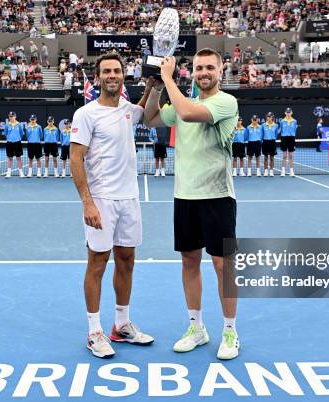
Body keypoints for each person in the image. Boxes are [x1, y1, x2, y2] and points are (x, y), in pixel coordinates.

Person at [143, 48, 240, 360]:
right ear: (193, 72)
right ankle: (196, 327)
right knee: (189, 261)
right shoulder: (184, 100)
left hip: (218, 196)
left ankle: (229, 330)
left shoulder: (225, 102)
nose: (204, 73)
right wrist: (156, 87)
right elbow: (153, 118)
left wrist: (169, 79)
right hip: (185, 196)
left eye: (210, 67)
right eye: (199, 68)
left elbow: (185, 113)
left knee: (223, 265)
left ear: (220, 72)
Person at [70, 52, 155, 359]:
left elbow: (144, 110)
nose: (112, 75)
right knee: (97, 263)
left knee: (127, 259)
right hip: (101, 201)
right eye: (106, 71)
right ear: (98, 77)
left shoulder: (128, 110)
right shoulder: (86, 114)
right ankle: (94, 331)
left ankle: (121, 325)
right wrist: (87, 202)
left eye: (116, 71)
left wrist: (152, 85)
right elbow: (75, 159)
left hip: (129, 198)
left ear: (122, 76)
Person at [4, 111, 25, 178]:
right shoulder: (7, 125)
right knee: (10, 158)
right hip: (9, 143)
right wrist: (10, 138)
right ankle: (8, 173)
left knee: (18, 158)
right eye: (10, 116)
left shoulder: (19, 124)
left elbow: (21, 133)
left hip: (17, 142)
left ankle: (21, 173)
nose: (11, 117)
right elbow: (6, 133)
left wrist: (17, 138)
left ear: (15, 116)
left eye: (12, 116)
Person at [279, 107, 297, 177]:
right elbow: (281, 130)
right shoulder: (282, 121)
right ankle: (283, 171)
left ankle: (291, 171)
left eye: (289, 112)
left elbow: (294, 130)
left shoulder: (295, 121)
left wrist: (292, 135)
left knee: (291, 156)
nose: (288, 113)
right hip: (284, 138)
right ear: (285, 113)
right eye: (287, 112)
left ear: (291, 113)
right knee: (284, 156)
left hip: (291, 138)